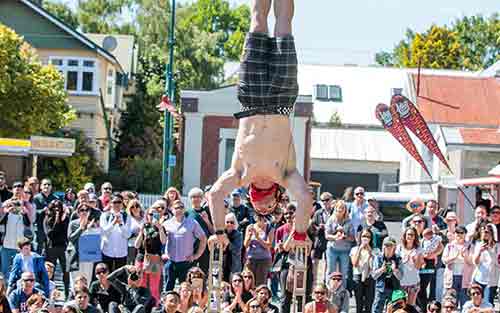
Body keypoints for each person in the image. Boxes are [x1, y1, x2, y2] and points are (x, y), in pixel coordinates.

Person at [207, 0, 312, 250]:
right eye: (268, 208)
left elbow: (214, 195)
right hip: (281, 100)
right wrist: (298, 234)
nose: (262, 207)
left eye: (259, 208)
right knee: (283, 28)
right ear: (277, 198)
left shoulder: (240, 175)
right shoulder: (286, 175)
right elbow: (306, 198)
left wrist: (220, 231)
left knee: (258, 22)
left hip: (250, 100)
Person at [162, 200, 207, 292]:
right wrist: (162, 254)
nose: (179, 210)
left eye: (181, 207)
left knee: (186, 289)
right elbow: (160, 240)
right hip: (170, 262)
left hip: (186, 262)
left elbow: (203, 238)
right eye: (176, 208)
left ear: (184, 209)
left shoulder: (192, 223)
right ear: (172, 210)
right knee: (167, 289)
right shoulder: (166, 224)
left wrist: (196, 255)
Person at [134, 206, 167, 303]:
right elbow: (136, 245)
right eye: (150, 214)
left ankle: (154, 306)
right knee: (140, 283)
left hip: (155, 259)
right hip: (141, 258)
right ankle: (140, 305)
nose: (152, 216)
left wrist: (160, 227)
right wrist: (141, 232)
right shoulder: (144, 226)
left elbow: (164, 241)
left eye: (155, 214)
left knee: (154, 286)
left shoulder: (161, 228)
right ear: (147, 215)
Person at [0, 189, 33, 277]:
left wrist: (25, 213)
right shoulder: (7, 214)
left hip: (18, 247)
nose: (15, 206)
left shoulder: (22, 215)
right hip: (6, 246)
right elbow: (1, 222)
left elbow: (28, 224)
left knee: (18, 269)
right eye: (13, 204)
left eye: (17, 204)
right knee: (4, 270)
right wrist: (7, 212)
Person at [67, 203, 101, 284]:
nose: (84, 212)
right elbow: (71, 238)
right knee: (75, 281)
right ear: (78, 212)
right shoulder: (73, 223)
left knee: (87, 280)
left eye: (87, 210)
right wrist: (81, 228)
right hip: (75, 256)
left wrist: (92, 226)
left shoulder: (94, 224)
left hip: (88, 255)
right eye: (82, 210)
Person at [43, 199, 70, 298]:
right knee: (51, 273)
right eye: (54, 207)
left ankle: (67, 293)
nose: (57, 209)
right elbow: (51, 234)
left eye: (59, 206)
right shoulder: (47, 219)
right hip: (52, 248)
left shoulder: (65, 218)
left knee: (66, 272)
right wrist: (57, 220)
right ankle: (50, 294)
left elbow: (66, 233)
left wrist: (63, 220)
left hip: (63, 247)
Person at [442, 225, 472, 308]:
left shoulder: (469, 246)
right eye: (457, 232)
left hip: (465, 277)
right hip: (451, 277)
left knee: (465, 301)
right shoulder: (449, 246)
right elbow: (444, 260)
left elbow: (472, 262)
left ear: (465, 234)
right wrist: (454, 257)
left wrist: (465, 256)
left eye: (461, 233)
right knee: (451, 301)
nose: (459, 235)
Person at [100, 194, 132, 272]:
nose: (117, 204)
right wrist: (113, 222)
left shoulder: (127, 216)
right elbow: (104, 233)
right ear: (111, 203)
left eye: (119, 202)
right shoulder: (104, 215)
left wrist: (121, 224)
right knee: (107, 276)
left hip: (121, 253)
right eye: (115, 202)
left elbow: (127, 235)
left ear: (122, 203)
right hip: (107, 252)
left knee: (120, 278)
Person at [325, 200, 355, 284]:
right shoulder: (331, 220)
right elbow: (327, 235)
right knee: (330, 271)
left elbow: (352, 238)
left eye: (343, 208)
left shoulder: (349, 221)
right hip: (332, 249)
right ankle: (329, 291)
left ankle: (342, 292)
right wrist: (335, 237)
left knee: (344, 273)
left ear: (345, 209)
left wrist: (345, 237)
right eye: (339, 208)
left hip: (345, 250)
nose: (340, 210)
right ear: (336, 208)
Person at [371, 237, 402, 313]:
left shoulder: (398, 258)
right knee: (376, 310)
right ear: (383, 246)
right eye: (386, 245)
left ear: (394, 246)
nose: (388, 247)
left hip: (394, 289)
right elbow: (374, 276)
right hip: (381, 289)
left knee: (394, 310)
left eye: (390, 245)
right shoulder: (378, 258)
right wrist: (381, 270)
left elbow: (400, 277)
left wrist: (395, 270)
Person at [187, 187, 214, 273]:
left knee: (204, 272)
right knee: (190, 272)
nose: (196, 199)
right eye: (194, 197)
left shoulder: (207, 212)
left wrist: (207, 220)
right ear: (190, 199)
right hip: (191, 247)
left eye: (198, 197)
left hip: (205, 248)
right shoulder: (187, 213)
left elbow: (213, 231)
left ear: (202, 199)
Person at [243, 213, 274, 286]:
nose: (259, 218)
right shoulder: (250, 227)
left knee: (260, 284)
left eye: (262, 216)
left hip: (263, 260)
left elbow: (268, 246)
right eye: (258, 216)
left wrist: (257, 237)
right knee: (248, 283)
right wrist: (250, 236)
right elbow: (245, 245)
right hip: (250, 259)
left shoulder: (270, 228)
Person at [350, 229, 377, 313]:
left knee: (369, 303)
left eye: (368, 236)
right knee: (359, 302)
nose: (366, 238)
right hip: (358, 276)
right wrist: (360, 249)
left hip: (370, 276)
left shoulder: (375, 250)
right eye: (364, 236)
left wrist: (369, 251)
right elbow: (354, 263)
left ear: (371, 238)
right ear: (360, 237)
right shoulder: (354, 249)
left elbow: (374, 265)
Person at [471, 223, 498, 304]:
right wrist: (479, 252)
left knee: (488, 303)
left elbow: (497, 263)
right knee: (476, 303)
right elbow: (475, 262)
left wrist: (490, 250)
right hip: (479, 278)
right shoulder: (478, 244)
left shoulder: (497, 246)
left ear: (492, 234)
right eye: (483, 231)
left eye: (487, 232)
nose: (484, 234)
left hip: (491, 280)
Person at [310, 192, 334, 283]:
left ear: (331, 200)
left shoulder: (335, 212)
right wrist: (318, 227)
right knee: (315, 262)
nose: (325, 202)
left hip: (330, 240)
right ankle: (314, 281)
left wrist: (328, 228)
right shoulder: (318, 213)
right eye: (323, 200)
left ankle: (325, 281)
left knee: (329, 263)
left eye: (327, 200)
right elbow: (312, 226)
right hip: (319, 240)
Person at [397, 227, 423, 306]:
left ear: (415, 237)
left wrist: (415, 259)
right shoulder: (399, 248)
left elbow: (418, 267)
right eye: (408, 234)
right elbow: (395, 264)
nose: (410, 237)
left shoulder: (418, 249)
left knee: (410, 306)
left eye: (412, 235)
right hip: (401, 282)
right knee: (400, 306)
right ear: (405, 236)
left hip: (413, 282)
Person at [32, 178, 57, 254]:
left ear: (51, 187)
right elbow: (32, 212)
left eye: (49, 184)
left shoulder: (55, 198)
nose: (46, 186)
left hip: (51, 228)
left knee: (50, 249)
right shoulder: (36, 198)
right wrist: (42, 211)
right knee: (38, 250)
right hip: (39, 228)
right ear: (40, 186)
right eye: (44, 184)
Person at [223, 213, 243, 281]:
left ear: (235, 224)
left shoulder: (238, 235)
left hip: (234, 266)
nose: (229, 224)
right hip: (222, 264)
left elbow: (236, 249)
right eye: (227, 222)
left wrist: (227, 241)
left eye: (232, 222)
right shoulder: (222, 234)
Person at [126, 199, 144, 264]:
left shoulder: (145, 218)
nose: (135, 208)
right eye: (132, 207)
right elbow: (125, 234)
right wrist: (135, 233)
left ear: (140, 207)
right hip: (131, 246)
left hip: (143, 246)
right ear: (130, 209)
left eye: (137, 206)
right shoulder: (128, 219)